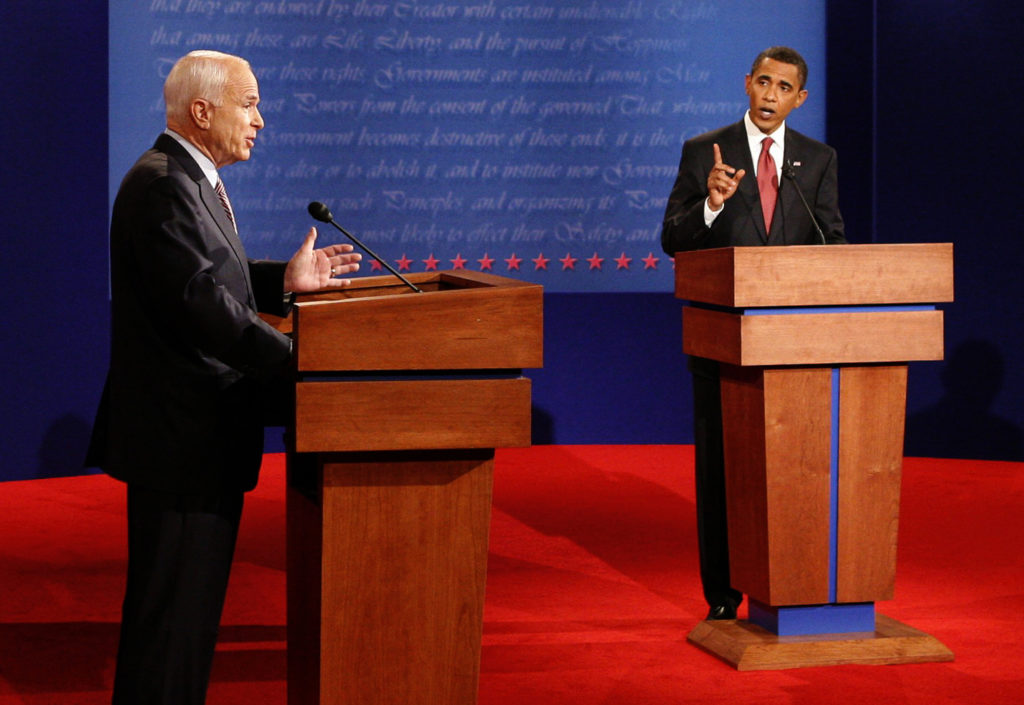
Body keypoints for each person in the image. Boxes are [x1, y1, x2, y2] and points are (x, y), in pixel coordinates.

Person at [86, 50, 361, 704]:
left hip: (197, 440)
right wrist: (305, 363)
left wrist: (283, 282)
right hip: (182, 443)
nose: (259, 119)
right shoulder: (162, 183)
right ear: (201, 110)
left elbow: (212, 280)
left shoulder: (187, 177)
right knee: (171, 626)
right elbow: (205, 309)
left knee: (183, 625)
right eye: (250, 103)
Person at [660, 47, 847, 621]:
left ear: (799, 98)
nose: (770, 95)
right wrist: (711, 205)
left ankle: (789, 579)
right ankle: (722, 595)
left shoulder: (816, 161)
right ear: (747, 85)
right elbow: (671, 239)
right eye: (762, 82)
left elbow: (833, 245)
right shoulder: (704, 153)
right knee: (721, 474)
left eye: (783, 87)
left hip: (793, 346)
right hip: (722, 345)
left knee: (792, 471)